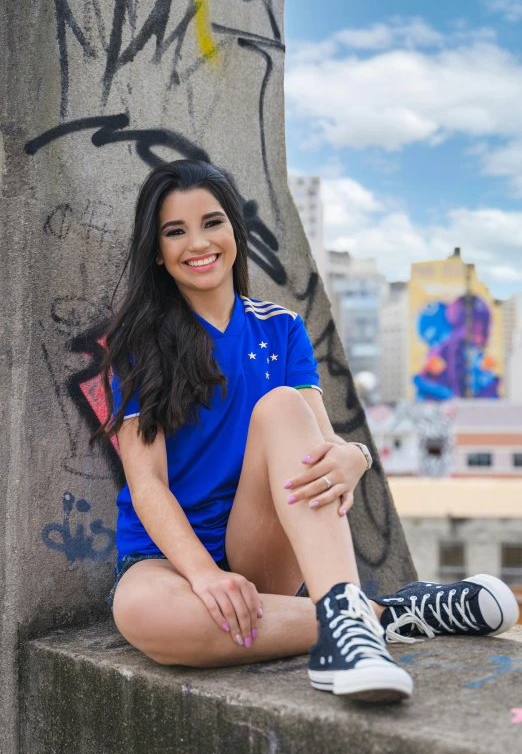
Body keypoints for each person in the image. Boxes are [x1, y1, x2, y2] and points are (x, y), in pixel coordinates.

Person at [94, 159, 519, 703]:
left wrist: (355, 456)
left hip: (260, 549)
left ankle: (344, 623)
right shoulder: (138, 343)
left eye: (212, 222)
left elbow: (319, 441)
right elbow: (146, 482)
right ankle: (385, 616)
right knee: (148, 616)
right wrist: (202, 574)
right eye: (175, 231)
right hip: (164, 561)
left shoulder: (282, 329)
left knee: (280, 407)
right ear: (157, 251)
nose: (197, 242)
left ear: (235, 232)